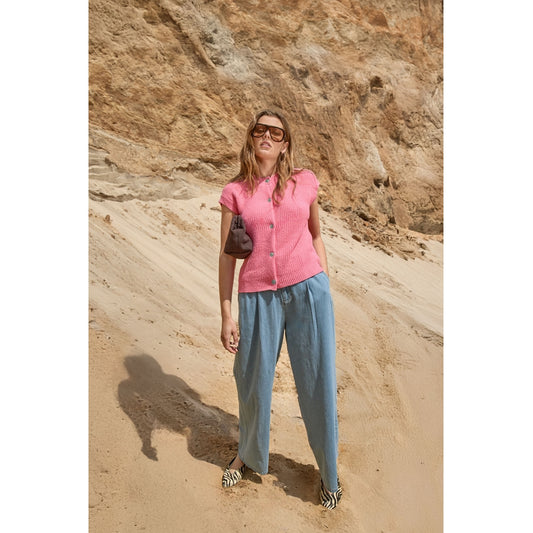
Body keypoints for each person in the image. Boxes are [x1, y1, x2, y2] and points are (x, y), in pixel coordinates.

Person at [218, 109, 342, 509]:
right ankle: (247, 455)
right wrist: (226, 313)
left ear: (285, 143)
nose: (267, 136)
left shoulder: (305, 181)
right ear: (251, 137)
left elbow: (316, 234)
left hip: (308, 291)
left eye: (276, 132)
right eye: (261, 130)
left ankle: (329, 474)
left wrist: (324, 285)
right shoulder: (235, 192)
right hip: (257, 297)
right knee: (251, 380)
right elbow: (227, 256)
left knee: (318, 381)